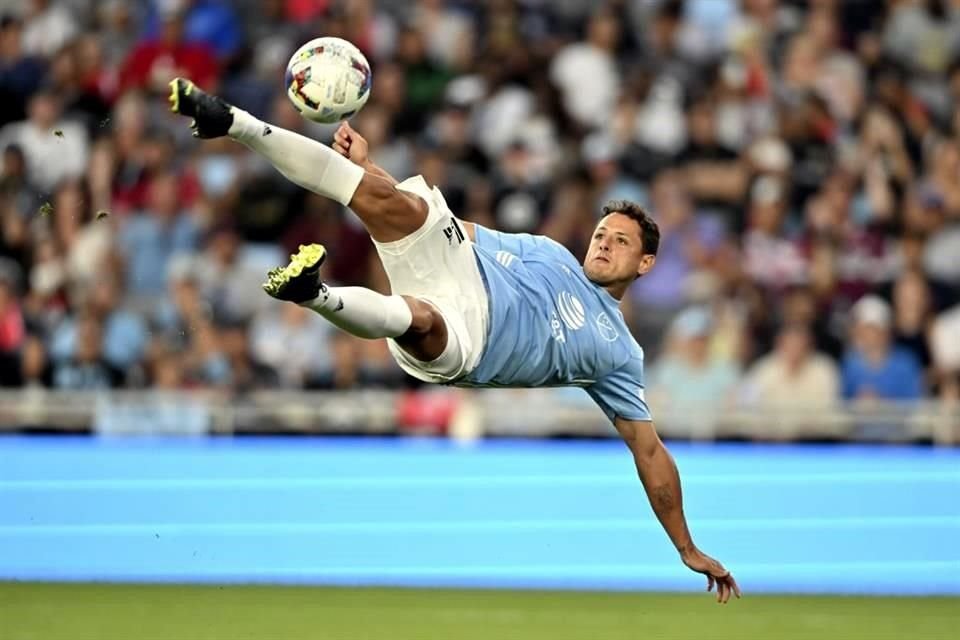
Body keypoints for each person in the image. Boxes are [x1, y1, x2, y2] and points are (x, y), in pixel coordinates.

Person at [168, 78, 741, 604]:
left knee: (420, 318)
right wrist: (373, 169)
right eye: (600, 232)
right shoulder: (548, 253)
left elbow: (649, 452)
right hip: (462, 269)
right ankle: (231, 121)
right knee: (387, 199)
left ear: (645, 264)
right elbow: (456, 231)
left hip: (471, 340)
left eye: (619, 240)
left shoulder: (619, 352)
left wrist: (685, 547)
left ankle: (314, 293)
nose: (603, 243)